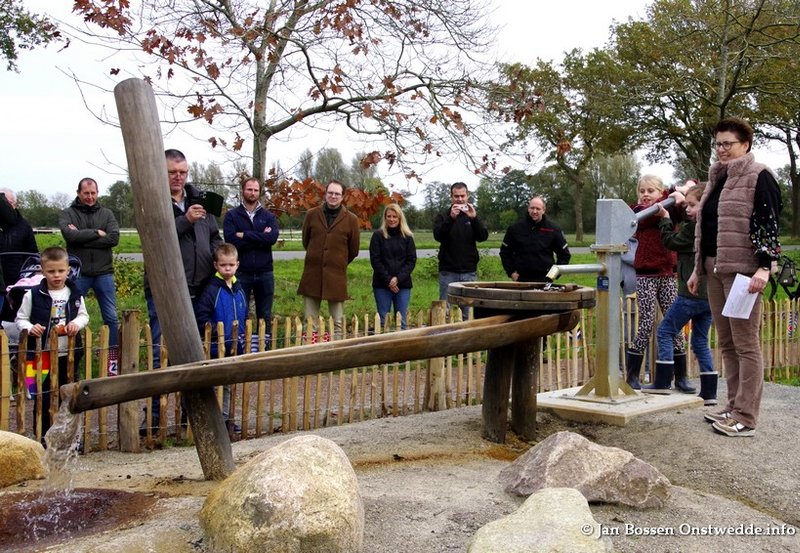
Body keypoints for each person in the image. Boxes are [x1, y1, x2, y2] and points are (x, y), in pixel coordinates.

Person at [689, 117, 782, 438]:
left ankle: (746, 416)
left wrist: (764, 267)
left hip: (744, 272)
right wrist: (697, 268)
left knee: (745, 343)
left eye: (727, 143)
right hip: (715, 268)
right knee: (727, 342)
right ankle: (732, 405)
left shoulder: (759, 176)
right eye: (718, 144)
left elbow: (768, 224)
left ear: (745, 144)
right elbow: (708, 227)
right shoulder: (717, 177)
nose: (721, 149)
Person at [143, 148, 223, 433]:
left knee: (199, 353)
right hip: (164, 289)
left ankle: (196, 417)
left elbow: (214, 236)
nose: (178, 177)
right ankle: (154, 417)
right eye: (172, 172)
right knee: (160, 352)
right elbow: (153, 237)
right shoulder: (151, 200)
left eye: (183, 172)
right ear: (161, 172)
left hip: (200, 287)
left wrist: (215, 256)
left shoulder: (200, 201)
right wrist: (185, 220)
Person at [644, 184, 717, 403]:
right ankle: (710, 392)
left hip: (690, 294)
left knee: (665, 331)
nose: (687, 209)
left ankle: (663, 382)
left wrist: (665, 219)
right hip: (709, 296)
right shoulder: (713, 226)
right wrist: (682, 196)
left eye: (692, 205)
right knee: (700, 341)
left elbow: (670, 241)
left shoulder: (693, 228)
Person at [16, 246, 89, 439]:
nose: (56, 275)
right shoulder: (32, 294)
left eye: (61, 271)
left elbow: (84, 316)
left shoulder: (75, 293)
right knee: (44, 396)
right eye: (51, 271)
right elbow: (20, 319)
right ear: (42, 271)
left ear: (68, 270)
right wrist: (30, 327)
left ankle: (71, 437)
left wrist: (76, 324)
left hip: (69, 353)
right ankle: (43, 436)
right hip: (42, 355)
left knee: (70, 395)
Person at [625, 174, 685, 390]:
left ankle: (681, 376)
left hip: (667, 273)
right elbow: (650, 215)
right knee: (646, 323)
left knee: (673, 322)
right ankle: (632, 374)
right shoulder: (638, 212)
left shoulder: (670, 209)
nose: (646, 195)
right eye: (642, 191)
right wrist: (671, 195)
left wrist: (682, 190)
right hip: (646, 275)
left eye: (651, 191)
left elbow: (686, 203)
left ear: (660, 192)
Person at [59, 178, 121, 375]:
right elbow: (70, 237)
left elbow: (114, 238)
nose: (90, 197)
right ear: (79, 193)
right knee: (72, 316)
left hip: (104, 273)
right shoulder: (68, 213)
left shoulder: (107, 213)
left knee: (111, 317)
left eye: (93, 193)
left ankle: (112, 363)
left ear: (97, 193)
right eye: (86, 193)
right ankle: (71, 360)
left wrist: (82, 237)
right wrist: (97, 233)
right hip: (79, 274)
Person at [297, 180, 360, 341]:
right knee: (310, 321)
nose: (333, 196)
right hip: (312, 274)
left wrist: (337, 262)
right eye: (330, 193)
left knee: (337, 322)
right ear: (325, 194)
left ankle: (336, 352)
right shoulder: (311, 214)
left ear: (342, 197)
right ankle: (309, 352)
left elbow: (353, 250)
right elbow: (306, 241)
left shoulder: (351, 219)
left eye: (337, 194)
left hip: (336, 276)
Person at [195, 243, 248, 434]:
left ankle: (226, 417)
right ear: (216, 265)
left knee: (228, 384)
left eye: (231, 265)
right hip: (216, 345)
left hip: (234, 344)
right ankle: (210, 419)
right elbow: (202, 315)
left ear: (237, 265)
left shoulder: (239, 288)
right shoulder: (211, 289)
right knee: (212, 384)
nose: (227, 269)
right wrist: (215, 334)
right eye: (224, 265)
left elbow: (244, 312)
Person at [223, 177, 279, 331]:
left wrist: (245, 234)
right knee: (241, 313)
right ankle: (242, 343)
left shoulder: (268, 217)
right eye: (249, 189)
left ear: (259, 192)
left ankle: (264, 343)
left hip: (265, 272)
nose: (252, 193)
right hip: (242, 272)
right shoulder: (232, 216)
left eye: (255, 190)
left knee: (265, 315)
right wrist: (261, 237)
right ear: (243, 191)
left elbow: (271, 238)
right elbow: (231, 240)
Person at [433, 182, 488, 317]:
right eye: (456, 196)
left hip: (468, 271)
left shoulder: (472, 215)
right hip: (448, 271)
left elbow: (482, 237)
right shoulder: (443, 216)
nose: (460, 199)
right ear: (451, 197)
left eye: (462, 196)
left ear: (467, 196)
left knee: (467, 311)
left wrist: (474, 219)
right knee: (445, 311)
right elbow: (438, 236)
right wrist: (451, 219)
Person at [499, 196, 570, 282]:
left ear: (543, 210)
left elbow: (564, 255)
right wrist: (511, 272)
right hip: (521, 279)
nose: (534, 211)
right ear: (528, 209)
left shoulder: (553, 229)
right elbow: (505, 252)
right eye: (532, 208)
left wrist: (554, 275)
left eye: (538, 209)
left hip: (544, 279)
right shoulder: (515, 229)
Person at [369, 203, 417, 330]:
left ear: (400, 218)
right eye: (389, 216)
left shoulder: (407, 237)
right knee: (383, 320)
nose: (391, 219)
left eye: (394, 216)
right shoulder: (378, 236)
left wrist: (397, 279)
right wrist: (389, 280)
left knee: (401, 321)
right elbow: (375, 260)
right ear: (385, 218)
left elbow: (411, 260)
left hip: (403, 284)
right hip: (382, 284)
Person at [0, 188, 38, 290]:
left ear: (14, 205)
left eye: (8, 203)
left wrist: (27, 276)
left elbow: (33, 254)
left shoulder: (24, 226)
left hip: (18, 280)